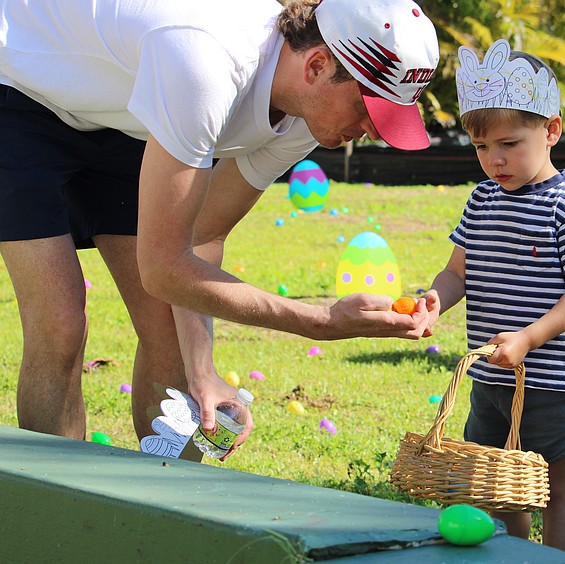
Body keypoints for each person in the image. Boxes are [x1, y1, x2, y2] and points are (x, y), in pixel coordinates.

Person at [0, 0, 438, 457]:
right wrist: (319, 321)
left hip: (119, 109)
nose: (372, 130)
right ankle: (52, 518)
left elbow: (200, 239)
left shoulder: (304, 121)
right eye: (367, 108)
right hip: (20, 89)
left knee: (169, 334)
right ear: (317, 65)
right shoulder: (205, 65)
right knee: (61, 324)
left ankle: (167, 512)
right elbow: (163, 268)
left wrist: (202, 369)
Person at [422, 40, 565, 553]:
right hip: (491, 374)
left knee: (551, 488)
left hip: (551, 380)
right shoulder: (482, 199)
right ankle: (511, 557)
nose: (495, 160)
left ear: (551, 131)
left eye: (509, 143)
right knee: (501, 486)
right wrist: (436, 297)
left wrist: (529, 337)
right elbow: (457, 271)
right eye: (482, 148)